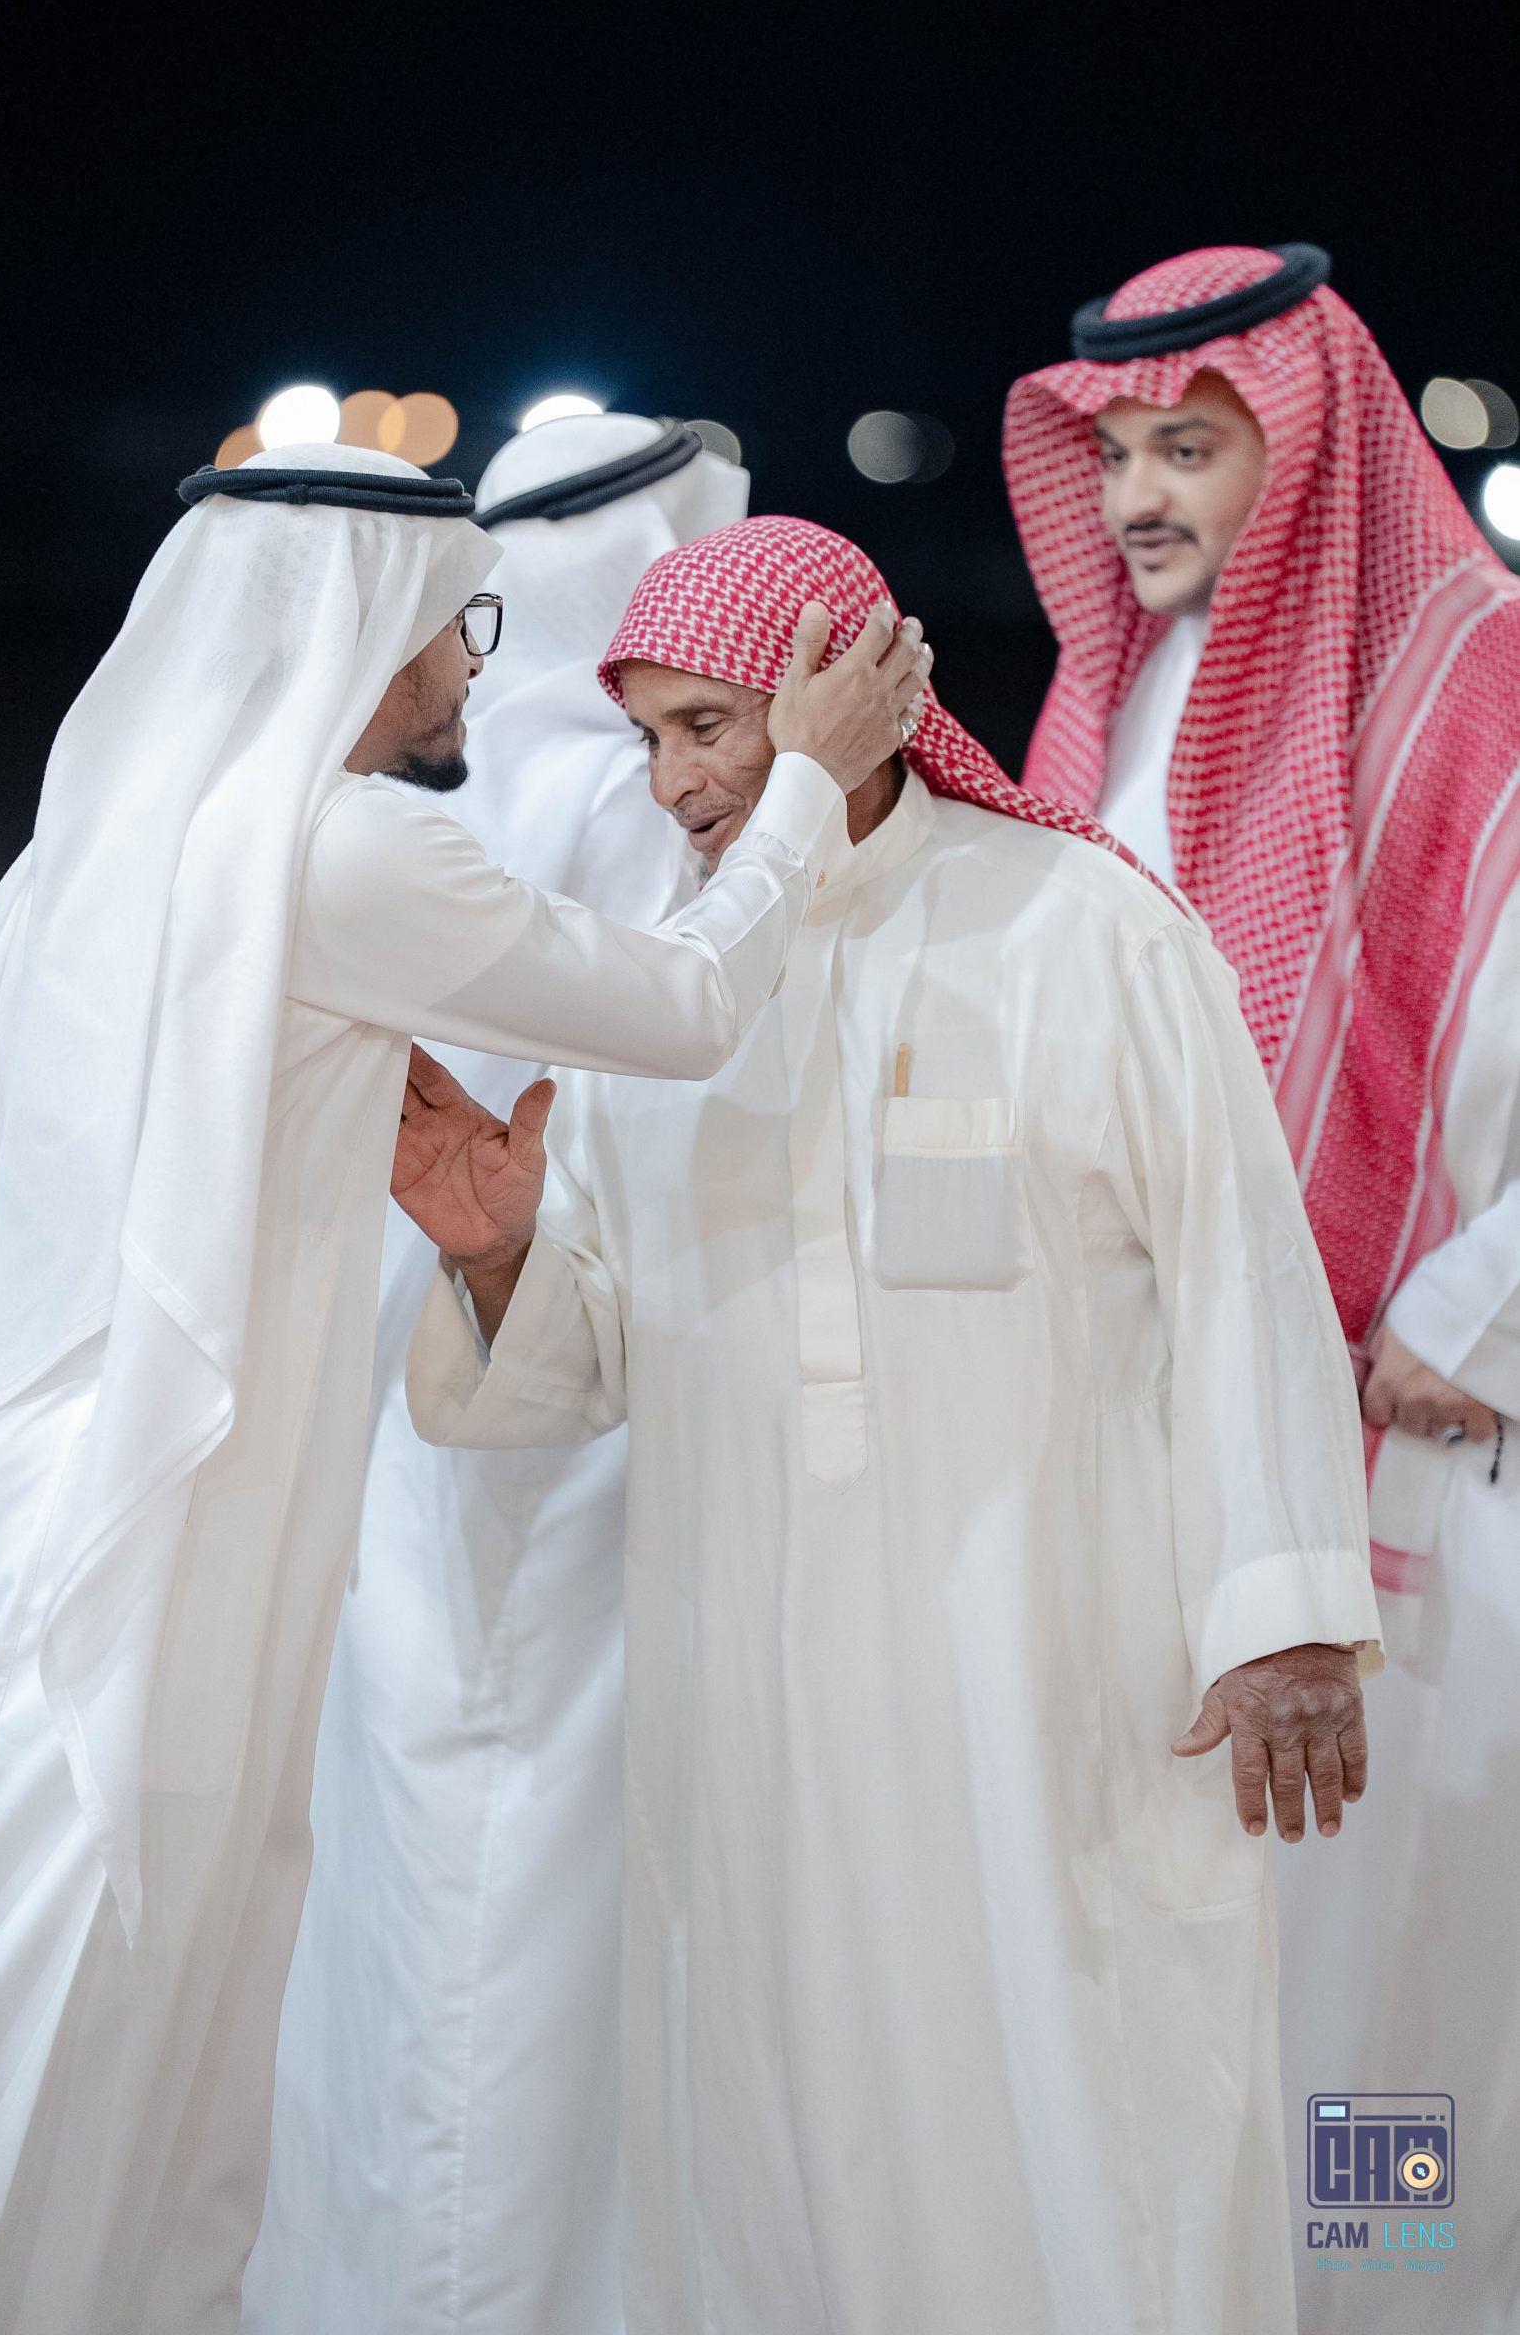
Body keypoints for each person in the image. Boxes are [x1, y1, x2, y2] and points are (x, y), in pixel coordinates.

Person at [0, 444, 923, 2335]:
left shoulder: (88, 848)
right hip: (145, 1542)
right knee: (13, 2080)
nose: (473, 664)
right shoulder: (341, 851)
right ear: (359, 629)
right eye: (450, 625)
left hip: (97, 1517)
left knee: (160, 2079)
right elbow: (680, 1005)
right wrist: (809, 782)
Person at [396, 513, 1383, 2335]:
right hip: (760, 1727)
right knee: (787, 2151)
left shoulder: (1082, 928)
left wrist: (1289, 1617)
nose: (676, 783)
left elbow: (1244, 1276)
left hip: (1055, 1700)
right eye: (649, 739)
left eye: (709, 727)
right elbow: (590, 1362)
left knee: (1088, 2123)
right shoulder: (665, 994)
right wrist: (500, 1255)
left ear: (843, 696)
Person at [1006, 246, 1520, 2330]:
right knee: (1174, 1962)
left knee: (1381, 2001)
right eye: (1114, 452)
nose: (1136, 496)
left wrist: (1473, 1312)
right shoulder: (1109, 694)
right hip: (1144, 1451)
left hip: (1412, 1458)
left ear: (1300, 450)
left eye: (1187, 449)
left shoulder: (1480, 678)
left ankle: (1388, 2311)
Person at [247, 413, 747, 2335]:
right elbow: (691, 1033)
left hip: (437, 1392)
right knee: (521, 1892)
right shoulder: (606, 808)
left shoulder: (406, 794)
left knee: (437, 1879)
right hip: (547, 1377)